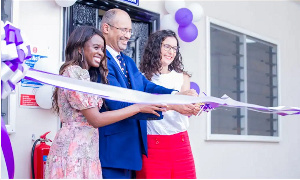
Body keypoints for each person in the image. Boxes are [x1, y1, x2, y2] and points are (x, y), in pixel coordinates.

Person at [44, 26, 167, 179]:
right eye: (96, 47)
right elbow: (96, 119)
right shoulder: (74, 72)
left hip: (88, 150)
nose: (101, 53)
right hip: (74, 152)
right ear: (80, 48)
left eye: (102, 49)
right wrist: (138, 107)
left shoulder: (85, 75)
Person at [98, 9, 199, 179]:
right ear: (106, 28)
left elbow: (147, 86)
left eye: (130, 31)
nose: (128, 35)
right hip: (115, 150)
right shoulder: (100, 59)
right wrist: (172, 105)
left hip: (133, 151)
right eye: (124, 30)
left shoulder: (127, 61)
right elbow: (116, 103)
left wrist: (177, 95)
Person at [136, 30, 198, 179]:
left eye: (175, 48)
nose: (171, 52)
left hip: (180, 143)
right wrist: (174, 105)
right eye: (167, 47)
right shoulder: (141, 78)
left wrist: (195, 107)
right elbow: (144, 109)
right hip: (152, 144)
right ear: (156, 47)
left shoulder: (182, 77)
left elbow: (186, 110)